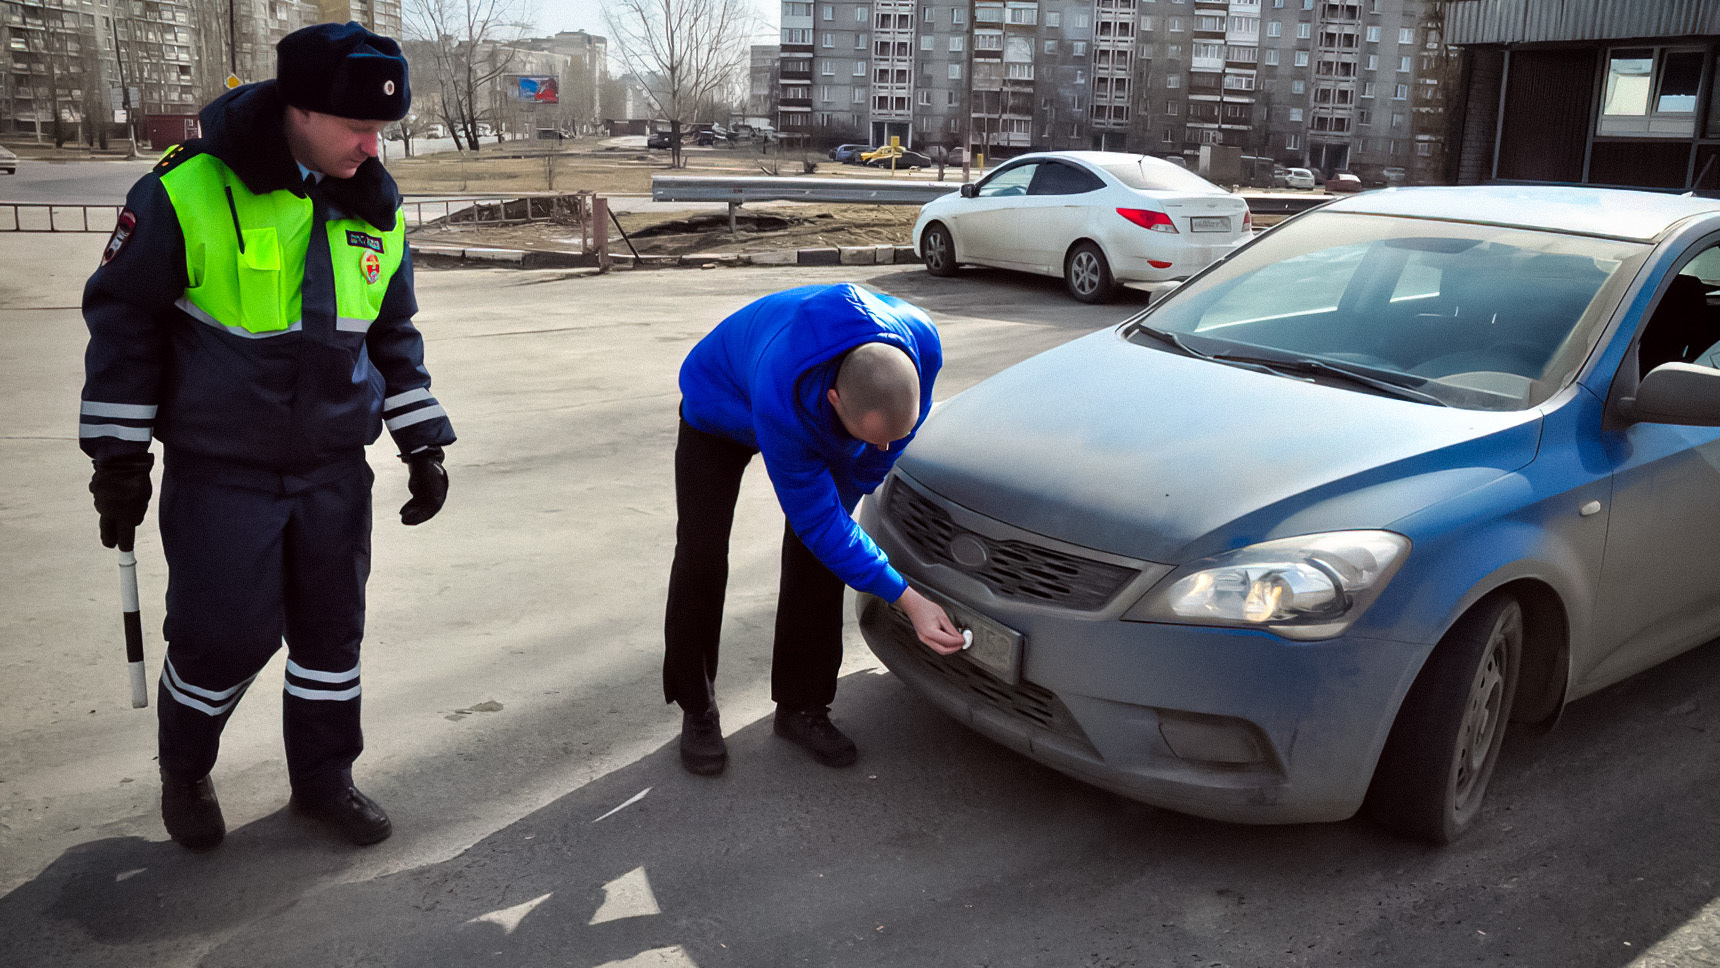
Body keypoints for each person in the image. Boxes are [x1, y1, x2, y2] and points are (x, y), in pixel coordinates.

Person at [79, 22, 454, 849]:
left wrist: (421, 441)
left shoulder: (372, 202)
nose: (374, 145)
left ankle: (324, 780)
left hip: (331, 471)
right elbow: (125, 325)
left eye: (383, 129)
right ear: (299, 109)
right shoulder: (188, 190)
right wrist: (118, 458)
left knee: (331, 637)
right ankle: (185, 765)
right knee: (223, 636)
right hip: (224, 473)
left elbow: (392, 336)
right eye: (358, 127)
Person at [665, 283, 966, 776]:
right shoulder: (782, 393)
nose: (885, 446)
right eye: (871, 437)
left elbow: (884, 450)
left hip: (818, 406)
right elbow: (820, 522)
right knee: (702, 552)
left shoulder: (921, 343)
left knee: (822, 554)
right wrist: (907, 599)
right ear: (834, 400)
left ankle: (802, 707)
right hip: (720, 407)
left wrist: (859, 478)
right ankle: (697, 707)